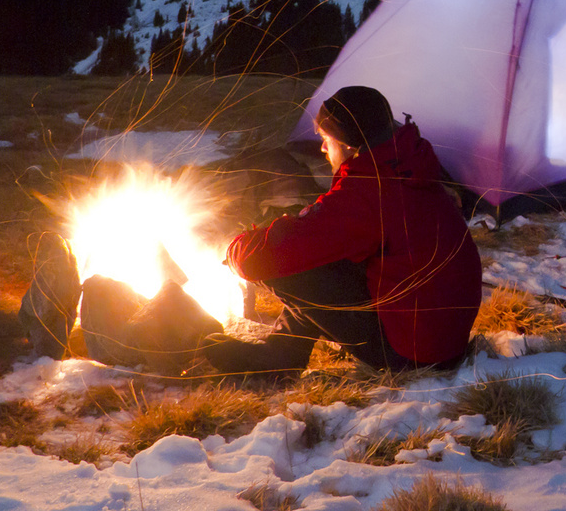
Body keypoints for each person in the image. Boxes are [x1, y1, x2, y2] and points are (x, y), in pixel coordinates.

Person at [200, 86, 483, 376]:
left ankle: (281, 358)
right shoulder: (401, 166)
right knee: (319, 255)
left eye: (325, 139)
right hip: (441, 341)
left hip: (412, 354)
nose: (322, 148)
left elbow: (259, 258)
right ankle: (281, 352)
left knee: (289, 264)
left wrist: (236, 249)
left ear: (347, 143)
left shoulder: (369, 190)